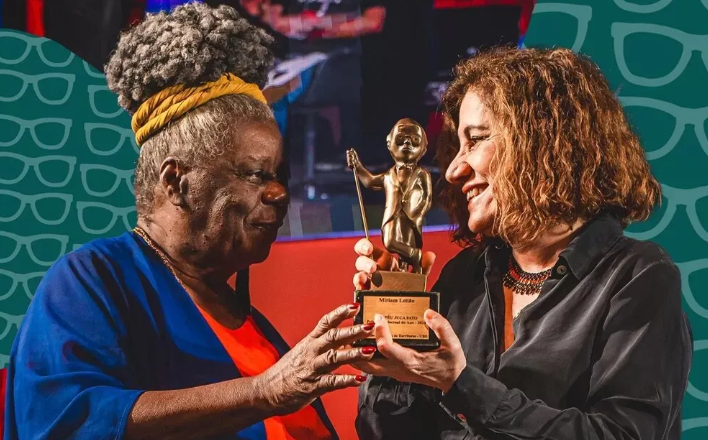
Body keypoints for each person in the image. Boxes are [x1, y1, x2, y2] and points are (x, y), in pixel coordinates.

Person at [3, 4, 377, 439]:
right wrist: (264, 391)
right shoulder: (90, 280)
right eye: (256, 174)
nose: (278, 193)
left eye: (280, 176)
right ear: (176, 182)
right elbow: (68, 421)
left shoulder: (248, 322)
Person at [352, 48, 693, 439]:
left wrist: (461, 384)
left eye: (475, 140)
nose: (454, 170)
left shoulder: (638, 277)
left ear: (543, 142)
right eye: (456, 146)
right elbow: (388, 432)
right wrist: (391, 334)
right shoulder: (463, 276)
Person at [346, 119, 433, 272]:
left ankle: (409, 269)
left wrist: (418, 211)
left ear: (424, 149)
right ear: (389, 143)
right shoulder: (389, 176)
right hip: (392, 215)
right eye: (400, 138)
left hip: (411, 217)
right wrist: (357, 166)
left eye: (415, 140)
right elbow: (370, 181)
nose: (407, 143)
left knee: (407, 243)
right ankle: (414, 256)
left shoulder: (422, 174)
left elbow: (427, 197)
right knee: (390, 241)